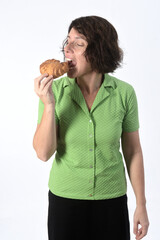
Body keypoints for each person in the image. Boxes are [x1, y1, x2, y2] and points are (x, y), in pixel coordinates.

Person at [33, 15, 149, 240]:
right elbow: (42, 153)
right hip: (65, 201)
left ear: (100, 50)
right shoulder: (53, 92)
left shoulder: (124, 93)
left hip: (112, 201)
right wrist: (48, 105)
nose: (67, 49)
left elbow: (133, 151)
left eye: (78, 43)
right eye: (67, 41)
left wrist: (141, 205)